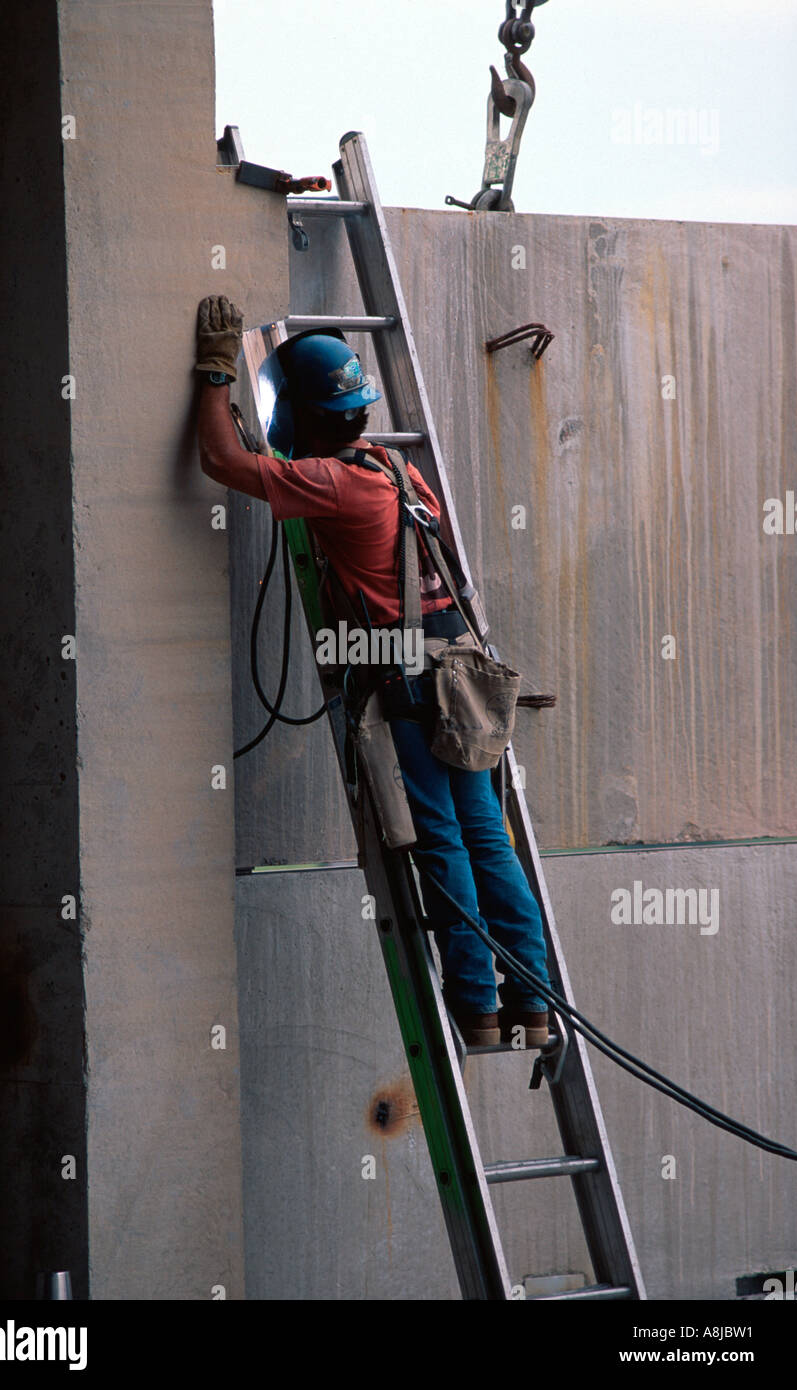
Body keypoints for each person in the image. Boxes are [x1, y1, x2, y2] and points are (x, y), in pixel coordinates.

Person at [195, 294, 553, 1046]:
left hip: (410, 684)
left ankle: (477, 1009)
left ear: (307, 419)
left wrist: (215, 371)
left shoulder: (332, 482)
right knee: (486, 834)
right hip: (461, 675)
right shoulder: (399, 469)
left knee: (443, 842)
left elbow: (220, 462)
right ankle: (530, 1000)